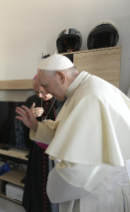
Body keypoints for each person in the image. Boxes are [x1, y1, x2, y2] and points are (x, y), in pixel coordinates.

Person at [16, 53, 130, 212]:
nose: (45, 91)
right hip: (95, 184)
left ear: (61, 77)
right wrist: (37, 126)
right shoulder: (82, 90)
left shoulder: (90, 96)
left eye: (46, 86)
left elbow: (78, 170)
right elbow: (65, 131)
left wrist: (52, 183)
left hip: (99, 191)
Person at [22, 77, 64, 212]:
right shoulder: (31, 101)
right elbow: (20, 127)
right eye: (36, 93)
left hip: (55, 153)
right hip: (37, 152)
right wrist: (30, 119)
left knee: (52, 186)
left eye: (43, 92)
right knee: (36, 183)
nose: (40, 96)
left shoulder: (63, 101)